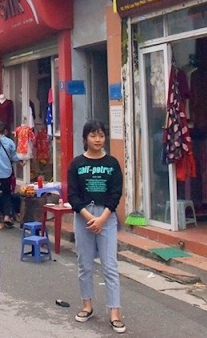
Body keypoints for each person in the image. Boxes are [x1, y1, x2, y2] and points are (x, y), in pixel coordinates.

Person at [68, 120, 125, 334]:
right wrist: (88, 216)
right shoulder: (76, 164)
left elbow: (115, 193)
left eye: (101, 135)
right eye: (93, 135)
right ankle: (87, 305)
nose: (98, 139)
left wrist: (103, 218)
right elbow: (72, 195)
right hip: (83, 215)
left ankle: (115, 313)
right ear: (85, 138)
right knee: (85, 264)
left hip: (107, 217)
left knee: (110, 265)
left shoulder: (112, 164)